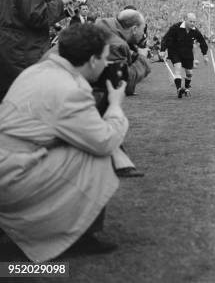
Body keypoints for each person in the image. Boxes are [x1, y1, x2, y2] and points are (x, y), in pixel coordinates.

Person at [0, 23, 128, 262]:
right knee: (99, 155)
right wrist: (115, 105)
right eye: (104, 58)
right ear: (92, 60)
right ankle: (79, 235)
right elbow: (105, 141)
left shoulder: (36, 71)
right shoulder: (70, 90)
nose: (106, 64)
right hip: (12, 178)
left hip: (8, 162)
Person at [0, 0, 74, 101]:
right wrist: (60, 1)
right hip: (24, 53)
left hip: (7, 53)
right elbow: (37, 17)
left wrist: (63, 12)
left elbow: (21, 14)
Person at [95, 9, 151, 177]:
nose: (144, 33)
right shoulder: (115, 43)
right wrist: (142, 59)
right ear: (134, 29)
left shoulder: (104, 27)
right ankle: (109, 152)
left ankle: (116, 156)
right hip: (67, 89)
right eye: (143, 29)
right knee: (109, 102)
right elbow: (122, 82)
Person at [160, 13, 209, 98]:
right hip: (175, 51)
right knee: (178, 68)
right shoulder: (175, 27)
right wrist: (162, 50)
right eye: (191, 21)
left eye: (194, 22)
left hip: (187, 53)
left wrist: (205, 55)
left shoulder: (195, 30)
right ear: (185, 20)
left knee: (189, 73)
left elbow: (202, 42)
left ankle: (186, 88)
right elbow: (166, 38)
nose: (193, 23)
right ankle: (179, 89)